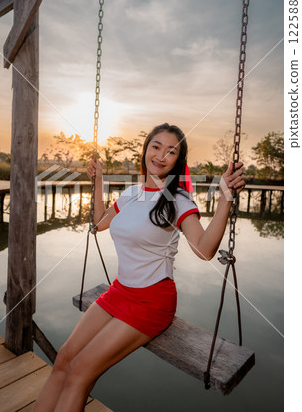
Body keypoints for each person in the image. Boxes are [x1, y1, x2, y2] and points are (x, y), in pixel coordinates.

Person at [34, 123, 245, 412]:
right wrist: (98, 181)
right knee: (65, 359)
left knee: (81, 371)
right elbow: (98, 224)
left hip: (152, 300)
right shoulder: (130, 194)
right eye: (156, 146)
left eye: (171, 151)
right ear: (145, 150)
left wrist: (225, 198)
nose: (161, 155)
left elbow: (204, 249)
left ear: (177, 161)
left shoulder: (178, 200)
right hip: (119, 291)